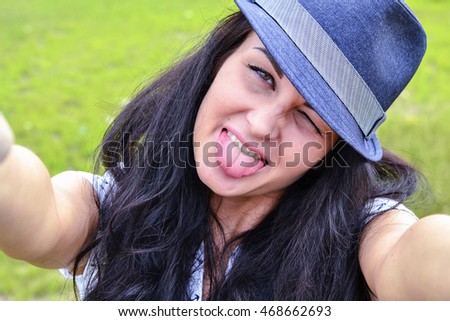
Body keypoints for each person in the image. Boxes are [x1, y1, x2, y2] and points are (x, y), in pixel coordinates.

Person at [1, 0, 450, 301]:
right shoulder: (119, 207)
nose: (260, 125)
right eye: (261, 74)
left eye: (310, 118)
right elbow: (42, 221)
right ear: (220, 59)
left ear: (331, 150)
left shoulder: (361, 235)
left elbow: (414, 262)